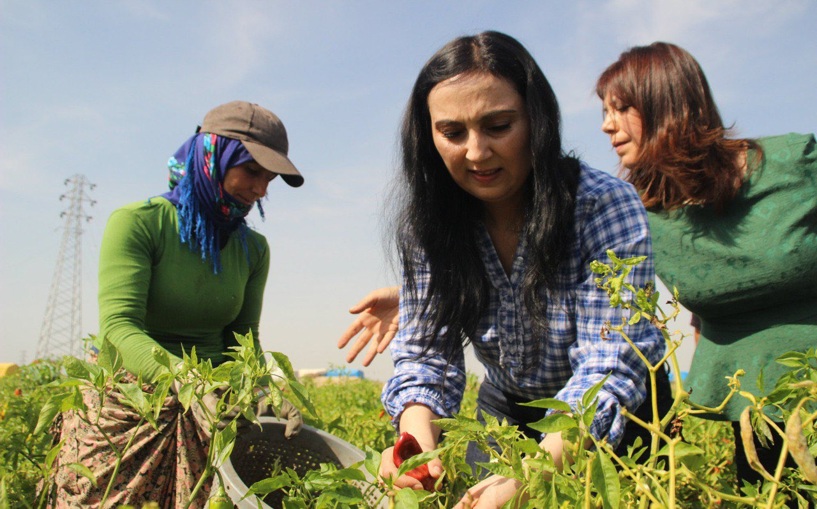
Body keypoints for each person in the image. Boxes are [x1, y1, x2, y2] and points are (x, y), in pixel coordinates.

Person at [343, 31, 670, 508]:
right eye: (452, 133)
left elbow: (608, 368)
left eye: (498, 126)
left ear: (536, 121)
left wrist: (531, 473)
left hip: (611, 416)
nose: (476, 152)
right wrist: (415, 447)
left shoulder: (601, 206)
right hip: (509, 407)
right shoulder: (431, 226)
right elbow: (426, 355)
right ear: (428, 136)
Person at [50, 101, 305, 508]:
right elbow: (119, 326)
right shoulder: (139, 222)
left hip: (211, 412)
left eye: (270, 178)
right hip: (131, 408)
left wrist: (264, 388)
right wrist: (188, 382)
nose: (260, 189)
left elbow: (242, 336)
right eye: (252, 171)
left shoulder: (253, 249)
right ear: (212, 158)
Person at [596, 42, 817, 490]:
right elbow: (699, 308)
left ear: (667, 103)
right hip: (759, 421)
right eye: (604, 111)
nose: (606, 125)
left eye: (621, 108)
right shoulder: (648, 216)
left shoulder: (795, 163)